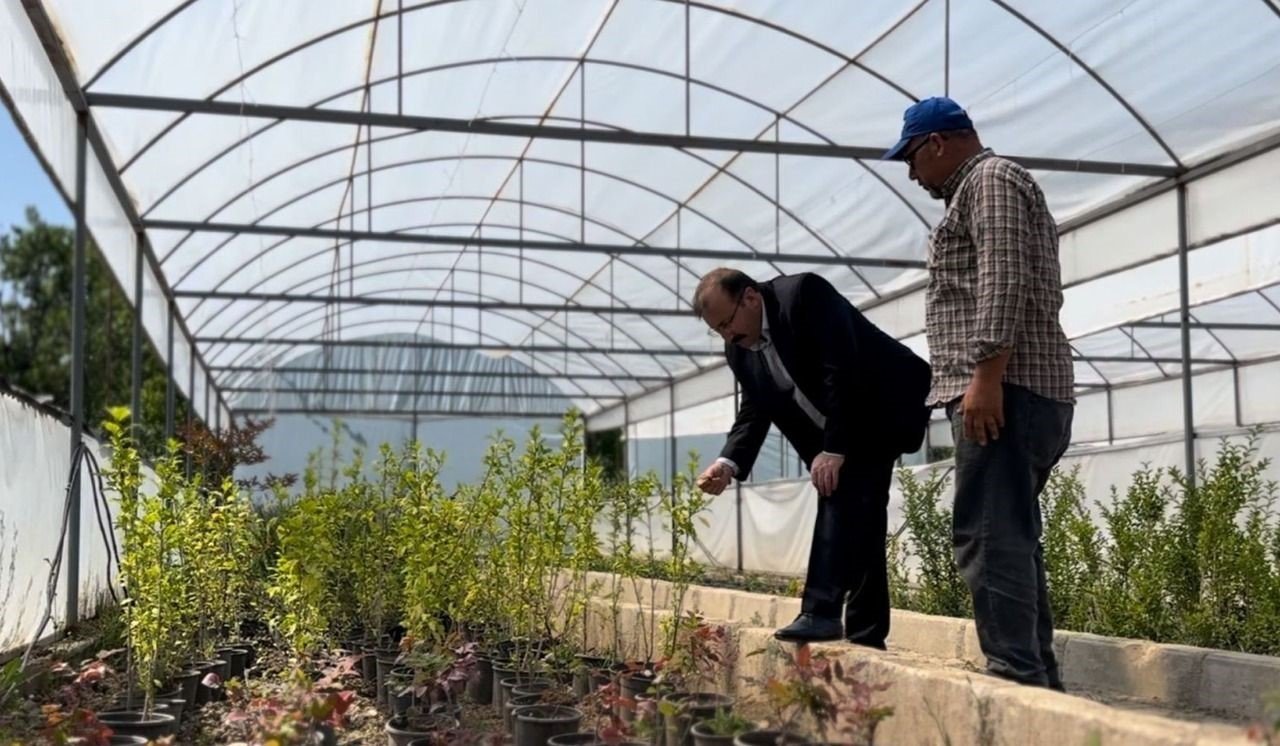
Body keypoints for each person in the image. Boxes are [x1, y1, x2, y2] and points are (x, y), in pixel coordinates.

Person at [882, 97, 1075, 690]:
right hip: (1017, 388)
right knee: (1009, 534)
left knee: (987, 536)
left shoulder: (989, 180)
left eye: (912, 159)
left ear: (938, 142)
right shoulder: (982, 187)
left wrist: (985, 379)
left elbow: (1004, 275)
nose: (913, 175)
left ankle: (1017, 677)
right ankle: (1036, 677)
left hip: (1008, 389)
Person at [691, 268, 930, 647]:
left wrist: (834, 448)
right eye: (717, 330)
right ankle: (865, 634)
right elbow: (755, 407)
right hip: (835, 432)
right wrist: (727, 463)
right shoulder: (739, 347)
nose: (727, 335)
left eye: (727, 322)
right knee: (862, 514)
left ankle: (820, 613)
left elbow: (842, 366)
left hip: (882, 405)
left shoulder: (803, 295)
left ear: (750, 298)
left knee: (840, 498)